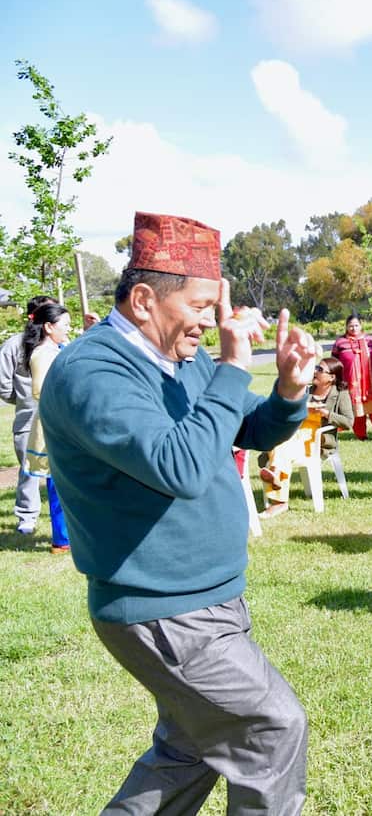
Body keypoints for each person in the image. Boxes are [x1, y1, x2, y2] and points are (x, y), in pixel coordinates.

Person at [38, 212, 317, 813]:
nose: (212, 322)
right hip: (166, 612)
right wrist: (233, 364)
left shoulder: (180, 358)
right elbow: (181, 467)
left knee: (190, 749)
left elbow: (246, 426)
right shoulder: (91, 371)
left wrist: (289, 390)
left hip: (202, 601)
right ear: (144, 299)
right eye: (199, 305)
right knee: (272, 729)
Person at [259, 356, 354, 517]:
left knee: (279, 449)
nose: (315, 372)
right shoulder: (306, 391)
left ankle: (277, 494)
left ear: (332, 377)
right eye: (316, 368)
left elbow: (348, 422)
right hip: (297, 435)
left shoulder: (340, 394)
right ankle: (279, 495)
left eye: (320, 370)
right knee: (280, 447)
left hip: (318, 440)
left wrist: (326, 413)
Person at [0, 294, 55, 534]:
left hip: (58, 418)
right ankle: (27, 517)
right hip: (28, 420)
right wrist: (24, 400)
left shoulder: (58, 345)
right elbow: (3, 384)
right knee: (28, 468)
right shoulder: (14, 345)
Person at [21, 302, 72, 551]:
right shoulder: (42, 354)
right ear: (49, 327)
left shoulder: (58, 348)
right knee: (59, 483)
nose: (68, 330)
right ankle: (62, 539)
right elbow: (41, 390)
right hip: (56, 424)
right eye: (65, 325)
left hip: (65, 422)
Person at [332, 314, 372, 440]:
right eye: (350, 326)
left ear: (361, 326)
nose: (353, 328)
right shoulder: (340, 343)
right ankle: (361, 434)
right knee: (356, 410)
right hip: (351, 383)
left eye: (356, 325)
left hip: (370, 383)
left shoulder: (370, 341)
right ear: (346, 327)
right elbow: (334, 361)